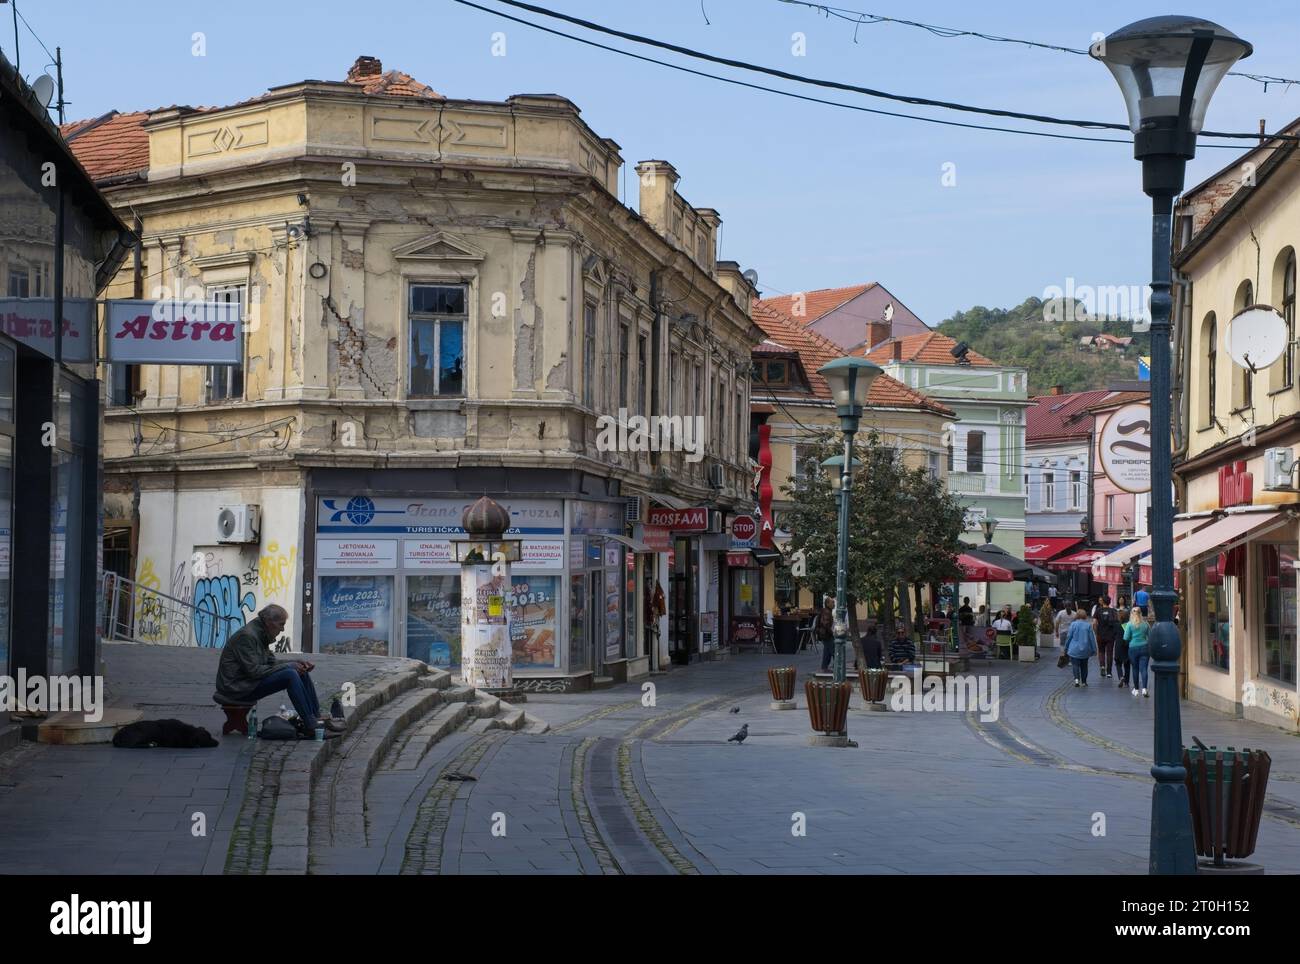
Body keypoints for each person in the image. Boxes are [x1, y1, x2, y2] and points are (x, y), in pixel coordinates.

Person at [215, 605, 344, 737]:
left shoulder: (261, 633)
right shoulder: (248, 636)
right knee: (290, 675)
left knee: (299, 671)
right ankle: (311, 726)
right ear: (269, 622)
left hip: (247, 681)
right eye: (281, 624)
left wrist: (296, 663)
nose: (282, 629)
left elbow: (271, 663)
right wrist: (289, 666)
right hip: (236, 687)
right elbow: (254, 671)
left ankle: (317, 718)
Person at [1064, 606, 1097, 687]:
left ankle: (1076, 680)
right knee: (1084, 666)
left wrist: (1066, 647)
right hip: (1085, 649)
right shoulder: (1088, 626)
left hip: (1074, 649)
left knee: (1075, 665)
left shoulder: (1073, 625)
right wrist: (1094, 649)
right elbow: (1092, 639)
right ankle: (1084, 681)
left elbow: (1069, 637)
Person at [1124, 606, 1151, 697]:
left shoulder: (1129, 624)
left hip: (1133, 648)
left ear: (1131, 614)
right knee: (1144, 669)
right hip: (1144, 647)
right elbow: (1150, 636)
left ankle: (1136, 689)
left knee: (1135, 669)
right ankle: (1144, 689)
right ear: (1141, 613)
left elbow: (1126, 637)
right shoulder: (1145, 624)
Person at [1092, 594, 1121, 679]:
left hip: (1100, 634)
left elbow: (1094, 623)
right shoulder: (1113, 611)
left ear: (1102, 602)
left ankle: (1102, 666)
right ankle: (1109, 672)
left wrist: (1096, 632)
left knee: (1101, 651)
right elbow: (1118, 622)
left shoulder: (1098, 610)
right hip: (1110, 635)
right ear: (1109, 602)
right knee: (1109, 653)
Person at [816, 596, 836, 672]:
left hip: (824, 634)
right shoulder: (827, 612)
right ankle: (836, 666)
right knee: (833, 650)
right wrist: (832, 632)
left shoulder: (827, 611)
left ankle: (824, 667)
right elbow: (825, 624)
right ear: (827, 604)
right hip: (826, 634)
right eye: (832, 602)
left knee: (827, 651)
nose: (834, 604)